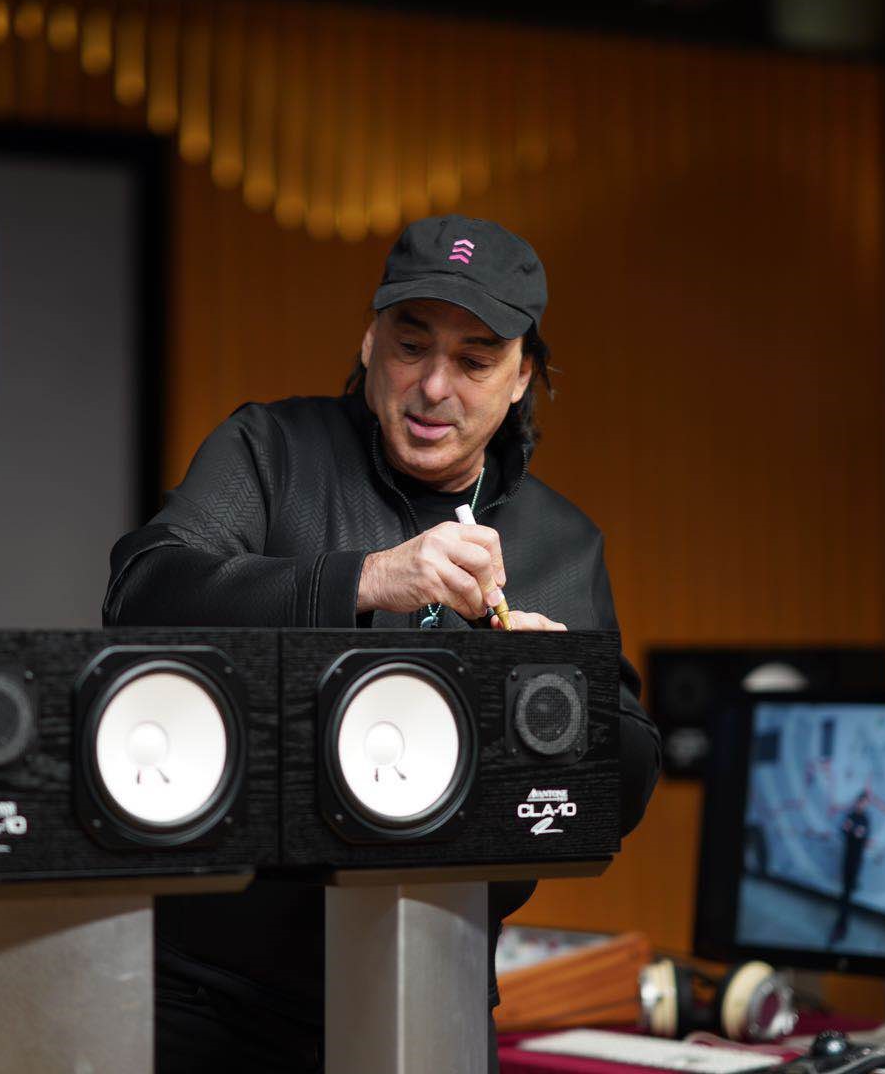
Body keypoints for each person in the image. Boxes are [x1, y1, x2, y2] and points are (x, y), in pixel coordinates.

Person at [103, 214, 662, 1072]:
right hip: (212, 997)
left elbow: (623, 787)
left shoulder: (563, 545)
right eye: (411, 345)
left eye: (475, 361)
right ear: (370, 342)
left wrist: (559, 692)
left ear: (522, 378)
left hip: (437, 994)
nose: (435, 386)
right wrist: (366, 579)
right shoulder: (270, 452)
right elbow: (143, 596)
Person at [829, 789, 873, 948]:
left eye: (864, 803)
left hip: (855, 863)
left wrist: (852, 830)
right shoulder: (851, 815)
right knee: (845, 893)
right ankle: (841, 925)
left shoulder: (865, 819)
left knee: (847, 895)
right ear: (857, 802)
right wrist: (852, 831)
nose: (861, 805)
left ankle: (841, 927)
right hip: (847, 860)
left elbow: (862, 836)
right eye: (860, 802)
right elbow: (844, 831)